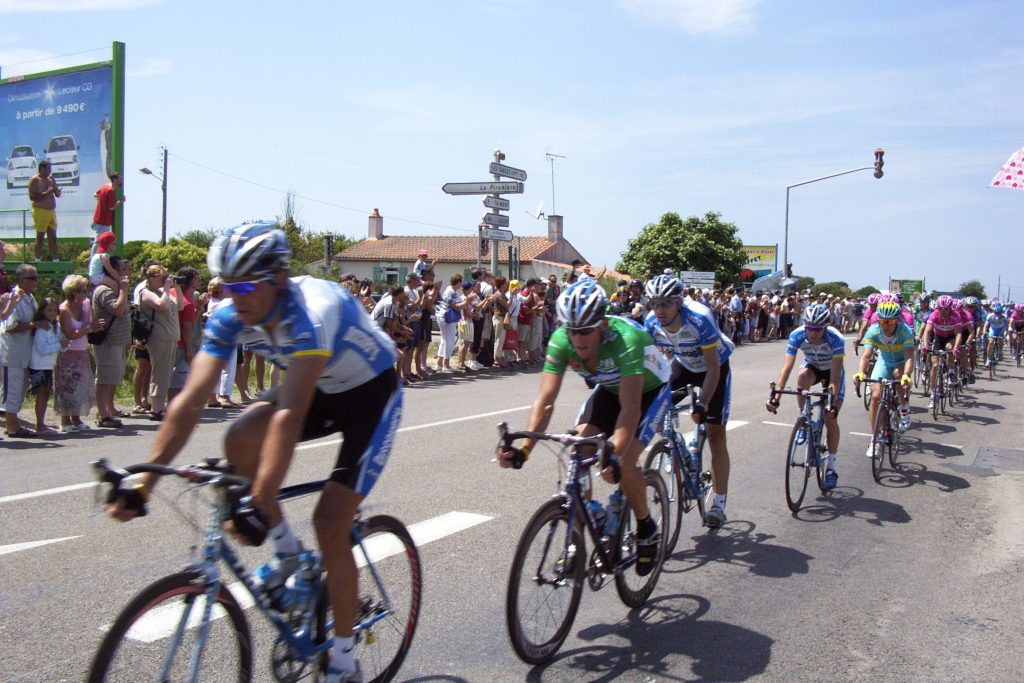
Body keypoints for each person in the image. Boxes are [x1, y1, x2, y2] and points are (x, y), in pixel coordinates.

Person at [105, 222, 401, 683]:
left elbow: (288, 415)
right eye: (226, 285)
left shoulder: (310, 313)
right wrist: (146, 480)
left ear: (278, 280)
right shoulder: (228, 316)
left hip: (371, 395)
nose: (234, 295)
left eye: (245, 285)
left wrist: (260, 501)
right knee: (240, 437)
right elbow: (191, 400)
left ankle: (344, 660)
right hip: (321, 388)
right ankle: (286, 555)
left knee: (330, 522)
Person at [498, 279, 670, 576]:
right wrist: (525, 449)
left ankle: (646, 527)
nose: (578, 339)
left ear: (602, 322)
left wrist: (614, 452)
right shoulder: (561, 340)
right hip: (610, 390)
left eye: (586, 330)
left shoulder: (625, 340)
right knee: (578, 447)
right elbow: (546, 400)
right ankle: (577, 538)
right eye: (572, 330)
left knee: (624, 461)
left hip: (649, 391)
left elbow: (631, 408)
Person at [643, 274, 737, 525]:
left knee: (715, 433)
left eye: (665, 303)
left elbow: (713, 368)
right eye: (654, 303)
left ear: (678, 303)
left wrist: (703, 404)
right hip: (683, 364)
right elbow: (648, 365)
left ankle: (718, 503)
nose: (659, 310)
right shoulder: (652, 322)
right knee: (656, 409)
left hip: (714, 366)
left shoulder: (699, 319)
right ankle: (681, 450)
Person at [766, 303, 845, 489]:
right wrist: (776, 396)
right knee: (801, 378)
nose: (813, 333)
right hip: (813, 367)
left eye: (817, 329)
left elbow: (835, 376)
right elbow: (787, 367)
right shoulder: (797, 335)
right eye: (809, 328)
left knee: (830, 418)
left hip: (832, 372)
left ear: (825, 327)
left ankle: (832, 469)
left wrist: (832, 402)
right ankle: (804, 416)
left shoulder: (836, 339)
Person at [853, 301, 915, 447]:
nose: (885, 325)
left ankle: (904, 407)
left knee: (899, 375)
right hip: (884, 361)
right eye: (882, 321)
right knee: (875, 396)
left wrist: (907, 374)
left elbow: (909, 358)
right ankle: (874, 439)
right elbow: (867, 356)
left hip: (901, 361)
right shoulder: (874, 330)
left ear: (897, 320)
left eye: (890, 321)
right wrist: (861, 372)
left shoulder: (905, 331)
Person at [55, 275, 100, 433]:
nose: (85, 293)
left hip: (82, 351)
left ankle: (77, 418)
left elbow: (93, 323)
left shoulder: (86, 304)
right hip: (68, 353)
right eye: (81, 290)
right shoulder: (64, 310)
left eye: (86, 290)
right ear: (72, 292)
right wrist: (89, 329)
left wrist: (93, 323)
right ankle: (64, 420)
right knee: (68, 387)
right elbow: (70, 334)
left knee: (80, 387)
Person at [92, 256, 132, 427]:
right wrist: (123, 290)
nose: (125, 272)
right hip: (108, 342)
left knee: (111, 378)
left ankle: (107, 410)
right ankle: (102, 414)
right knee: (104, 377)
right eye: (121, 269)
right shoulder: (104, 290)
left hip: (118, 342)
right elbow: (116, 309)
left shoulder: (115, 288)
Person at [139, 264, 181, 420]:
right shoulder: (146, 292)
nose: (166, 279)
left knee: (167, 372)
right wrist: (167, 288)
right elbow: (161, 305)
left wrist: (176, 288)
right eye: (163, 277)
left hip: (171, 336)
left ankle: (160, 404)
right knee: (160, 372)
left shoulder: (165, 292)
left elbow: (180, 306)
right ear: (152, 277)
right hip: (159, 337)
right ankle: (156, 408)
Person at [2, 265, 40, 436]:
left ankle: (14, 423)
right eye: (32, 278)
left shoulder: (30, 298)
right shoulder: (14, 297)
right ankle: (11, 426)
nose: (36, 281)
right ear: (21, 280)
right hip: (13, 354)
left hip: (24, 353)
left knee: (20, 388)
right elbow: (10, 326)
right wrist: (35, 325)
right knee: (12, 389)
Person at [27, 297, 65, 435]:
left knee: (45, 394)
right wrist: (60, 345)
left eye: (55, 310)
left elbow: (61, 345)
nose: (52, 313)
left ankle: (41, 423)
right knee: (42, 395)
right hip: (39, 365)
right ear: (42, 311)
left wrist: (64, 345)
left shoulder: (56, 327)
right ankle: (40, 425)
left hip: (49, 365)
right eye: (49, 310)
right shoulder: (41, 328)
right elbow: (42, 348)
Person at [919, 295, 963, 410]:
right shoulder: (934, 315)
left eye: (946, 309)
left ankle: (952, 372)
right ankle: (933, 394)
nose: (943, 311)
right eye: (940, 308)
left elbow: (958, 333)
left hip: (951, 337)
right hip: (938, 337)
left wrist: (956, 347)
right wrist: (926, 345)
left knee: (949, 348)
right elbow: (927, 332)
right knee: (934, 365)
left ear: (950, 308)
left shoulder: (955, 316)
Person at [167, 267, 202, 403]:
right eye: (196, 278)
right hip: (181, 345)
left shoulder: (172, 293)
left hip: (171, 341)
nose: (199, 280)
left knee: (173, 377)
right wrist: (189, 349)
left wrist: (199, 308)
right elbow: (187, 328)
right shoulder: (187, 301)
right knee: (179, 379)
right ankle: (174, 407)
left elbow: (190, 321)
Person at [28, 160, 61, 261]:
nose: (50, 171)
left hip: (51, 211)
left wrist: (58, 192)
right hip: (40, 210)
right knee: (40, 237)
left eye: (51, 169)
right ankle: (37, 259)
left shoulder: (51, 178)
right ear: (42, 168)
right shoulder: (35, 180)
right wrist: (47, 192)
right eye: (48, 169)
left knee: (53, 237)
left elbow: (56, 192)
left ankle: (55, 259)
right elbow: (32, 197)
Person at [91, 172, 124, 257]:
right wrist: (120, 202)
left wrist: (102, 200)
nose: (121, 181)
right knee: (99, 241)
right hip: (103, 220)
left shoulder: (106, 186)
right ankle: (93, 261)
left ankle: (95, 259)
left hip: (98, 219)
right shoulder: (111, 190)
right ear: (115, 180)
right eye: (120, 179)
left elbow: (95, 194)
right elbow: (111, 208)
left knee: (100, 241)